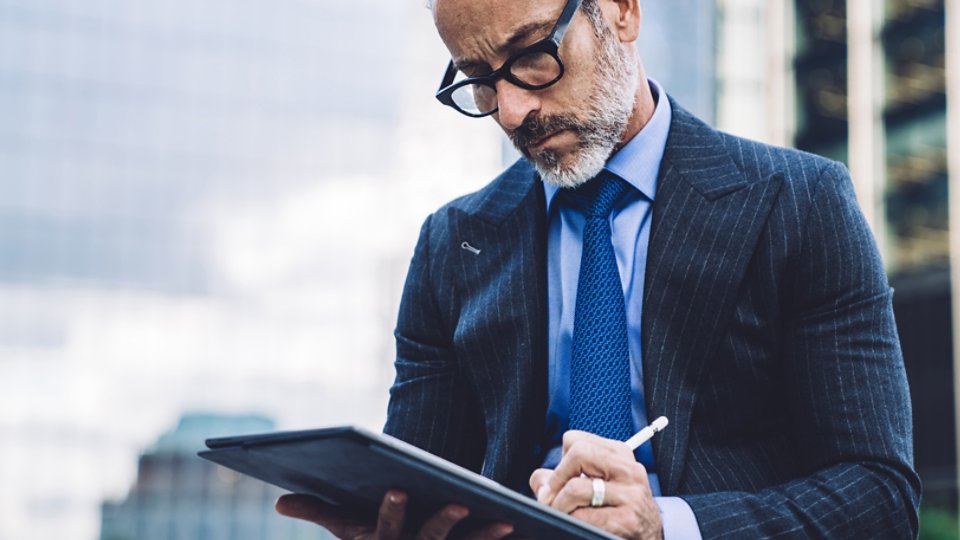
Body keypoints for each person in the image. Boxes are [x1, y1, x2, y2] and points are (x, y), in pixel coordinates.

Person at [277, 0, 921, 537]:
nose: (510, 111)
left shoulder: (802, 205)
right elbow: (422, 480)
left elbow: (880, 494)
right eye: (478, 79)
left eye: (532, 55)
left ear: (621, 11)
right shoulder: (454, 245)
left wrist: (664, 527)